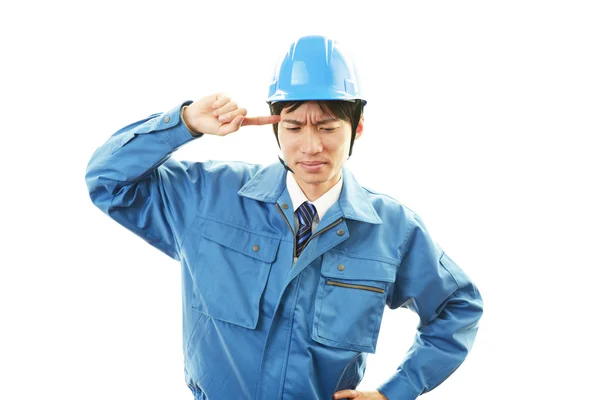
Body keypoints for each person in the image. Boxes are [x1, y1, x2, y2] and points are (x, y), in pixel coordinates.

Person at [86, 34, 483, 400]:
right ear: (273, 126)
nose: (311, 146)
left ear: (357, 127)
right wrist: (185, 122)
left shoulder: (392, 230)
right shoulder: (208, 198)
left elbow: (458, 306)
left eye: (327, 127)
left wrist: (395, 391)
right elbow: (107, 180)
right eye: (293, 126)